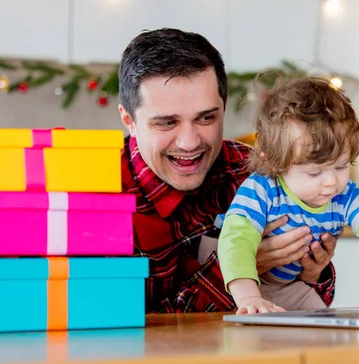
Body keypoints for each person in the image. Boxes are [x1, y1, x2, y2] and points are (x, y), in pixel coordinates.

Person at [117, 27, 339, 313]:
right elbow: (120, 328)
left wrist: (312, 272)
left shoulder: (252, 171)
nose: (189, 143)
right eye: (166, 123)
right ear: (129, 120)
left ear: (223, 106)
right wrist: (241, 265)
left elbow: (309, 300)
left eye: (206, 118)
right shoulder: (96, 198)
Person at [215, 76, 359, 314]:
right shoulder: (262, 189)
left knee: (324, 328)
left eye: (341, 166)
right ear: (275, 163)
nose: (331, 182)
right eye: (314, 172)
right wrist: (249, 297)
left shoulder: (344, 195)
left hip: (287, 286)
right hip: (242, 284)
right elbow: (236, 242)